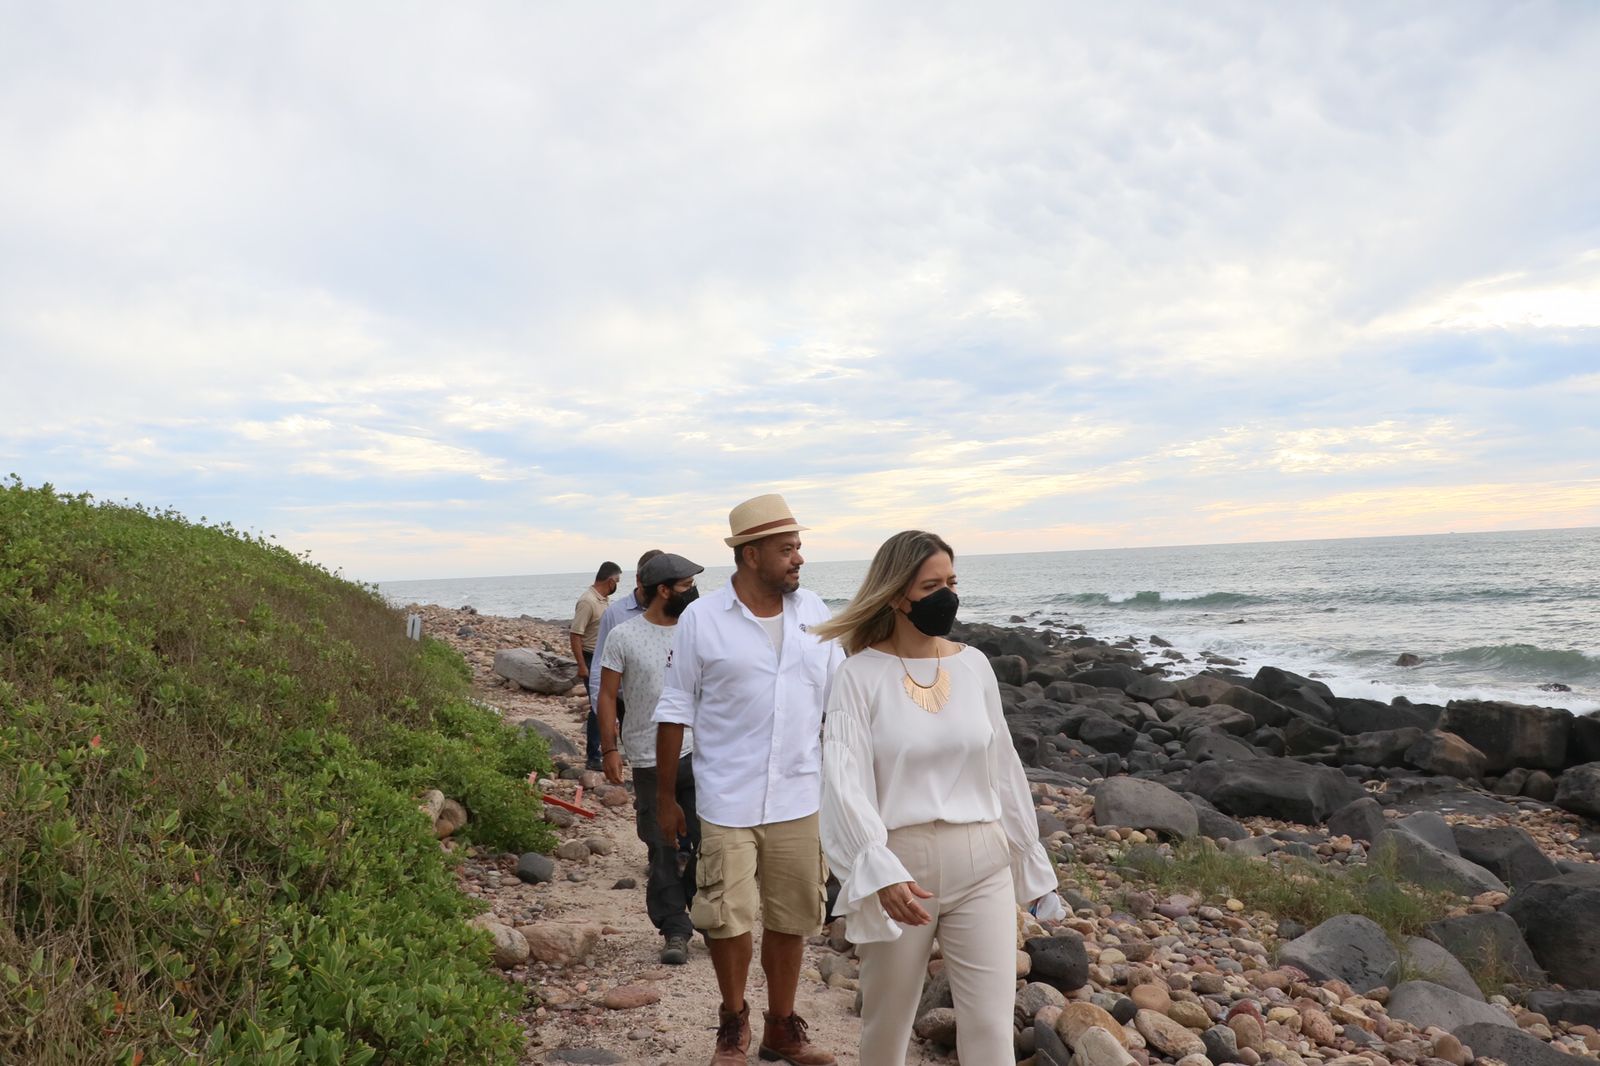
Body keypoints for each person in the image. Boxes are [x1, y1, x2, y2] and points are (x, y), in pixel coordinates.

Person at [814, 530, 1059, 1066]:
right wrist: (876, 867)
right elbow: (844, 780)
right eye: (931, 586)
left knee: (991, 1027)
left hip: (984, 861)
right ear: (896, 594)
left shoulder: (974, 665)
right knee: (887, 1025)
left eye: (952, 582)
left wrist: (1028, 857)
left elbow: (1003, 765)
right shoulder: (858, 675)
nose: (947, 595)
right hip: (903, 870)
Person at [652, 493, 842, 1066]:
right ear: (751, 554)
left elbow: (843, 700)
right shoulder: (703, 619)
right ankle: (732, 1024)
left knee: (793, 917)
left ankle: (781, 1028)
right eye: (787, 549)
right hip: (726, 797)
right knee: (726, 918)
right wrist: (665, 797)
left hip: (800, 795)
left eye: (799, 547)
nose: (798, 558)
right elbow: (675, 707)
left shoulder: (815, 611)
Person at [595, 551, 703, 965]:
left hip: (700, 753)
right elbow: (608, 695)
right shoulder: (624, 636)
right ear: (664, 591)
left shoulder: (697, 634)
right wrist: (609, 748)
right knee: (661, 846)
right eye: (687, 586)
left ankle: (706, 915)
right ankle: (675, 928)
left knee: (708, 842)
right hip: (647, 758)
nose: (694, 592)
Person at [589, 548, 666, 781]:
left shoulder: (674, 610)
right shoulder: (616, 614)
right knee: (642, 760)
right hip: (626, 701)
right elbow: (599, 668)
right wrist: (606, 719)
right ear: (640, 579)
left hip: (664, 700)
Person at [571, 560, 622, 768]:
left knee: (610, 703)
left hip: (604, 656)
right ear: (610, 581)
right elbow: (575, 634)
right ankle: (593, 756)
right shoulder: (588, 601)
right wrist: (582, 665)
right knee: (597, 706)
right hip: (591, 657)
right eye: (617, 580)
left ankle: (608, 749)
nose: (617, 584)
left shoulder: (603, 600)